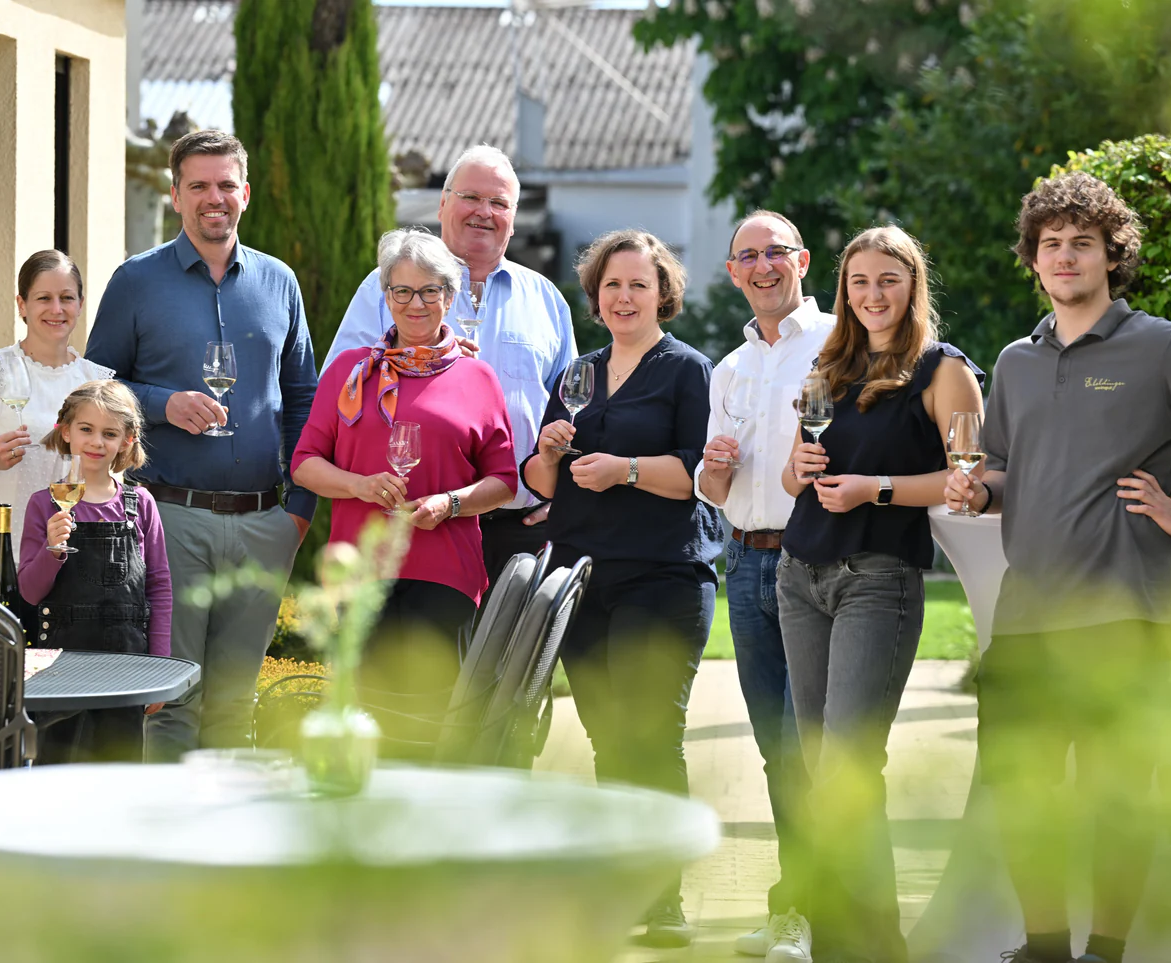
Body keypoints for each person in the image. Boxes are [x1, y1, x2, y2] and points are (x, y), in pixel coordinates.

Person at [944, 172, 1171, 963]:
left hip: (1126, 613)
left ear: (1110, 256)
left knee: (1115, 797)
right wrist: (976, 486)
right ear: (1032, 258)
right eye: (1051, 244)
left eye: (1081, 244)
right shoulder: (1015, 361)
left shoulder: (1159, 346)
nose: (1064, 257)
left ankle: (1105, 951)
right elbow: (1000, 471)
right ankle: (1044, 946)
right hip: (1027, 615)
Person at [778, 225, 985, 963]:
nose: (872, 295)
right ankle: (842, 939)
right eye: (860, 281)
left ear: (912, 285)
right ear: (844, 289)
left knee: (847, 766)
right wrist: (799, 465)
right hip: (798, 573)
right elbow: (785, 478)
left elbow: (969, 484)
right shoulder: (827, 361)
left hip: (878, 575)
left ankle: (873, 947)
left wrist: (880, 488)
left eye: (888, 280)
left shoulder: (942, 369)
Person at [85, 129, 318, 761]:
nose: (213, 198)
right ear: (174, 195)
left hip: (263, 522)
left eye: (225, 185)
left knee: (235, 705)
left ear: (244, 193)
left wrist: (297, 512)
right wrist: (163, 404)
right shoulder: (136, 281)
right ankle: (168, 850)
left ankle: (226, 851)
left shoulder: (280, 283)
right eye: (198, 186)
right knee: (169, 703)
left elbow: (303, 400)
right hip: (168, 519)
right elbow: (95, 388)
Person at [522, 229, 722, 948]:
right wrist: (545, 453)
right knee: (609, 736)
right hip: (582, 576)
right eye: (612, 285)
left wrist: (626, 469)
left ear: (661, 291)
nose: (624, 296)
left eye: (638, 284)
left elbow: (701, 478)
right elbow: (540, 484)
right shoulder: (579, 372)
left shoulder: (687, 370)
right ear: (595, 295)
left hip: (662, 572)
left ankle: (662, 894)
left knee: (650, 732)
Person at [292, 229, 517, 753]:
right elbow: (304, 465)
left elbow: (504, 481)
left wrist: (452, 502)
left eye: (429, 291)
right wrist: (360, 485)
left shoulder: (478, 378)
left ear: (450, 295)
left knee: (431, 730)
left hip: (443, 577)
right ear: (385, 296)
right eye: (402, 291)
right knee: (360, 726)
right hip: (359, 573)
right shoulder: (351, 375)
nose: (415, 304)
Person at [322, 145, 575, 589]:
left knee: (512, 660)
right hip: (416, 525)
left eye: (499, 203)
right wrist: (418, 364)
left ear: (514, 218)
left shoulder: (546, 299)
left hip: (522, 527)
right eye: (471, 197)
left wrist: (565, 498)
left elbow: (573, 411)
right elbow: (340, 391)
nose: (484, 212)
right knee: (418, 660)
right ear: (442, 203)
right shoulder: (388, 286)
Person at [695, 210, 834, 962]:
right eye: (745, 256)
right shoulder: (730, 367)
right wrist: (712, 471)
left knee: (810, 747)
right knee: (779, 752)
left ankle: (813, 910)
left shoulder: (842, 343)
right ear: (731, 273)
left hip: (816, 561)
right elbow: (714, 488)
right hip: (744, 563)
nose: (760, 266)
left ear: (802, 260)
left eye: (773, 253)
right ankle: (797, 903)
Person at [17, 380, 171, 763]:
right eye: (86, 429)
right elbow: (30, 593)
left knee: (118, 774)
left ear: (127, 440)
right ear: (66, 431)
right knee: (60, 771)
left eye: (109, 433)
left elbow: (159, 587)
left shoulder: (141, 505)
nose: (96, 442)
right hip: (59, 669)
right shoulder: (44, 504)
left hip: (127, 666)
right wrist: (52, 550)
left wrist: (160, 665)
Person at [0, 250, 113, 584]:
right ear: (22, 305)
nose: (56, 309)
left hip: (64, 563)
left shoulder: (96, 382)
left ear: (80, 303)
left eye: (67, 298)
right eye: (43, 298)